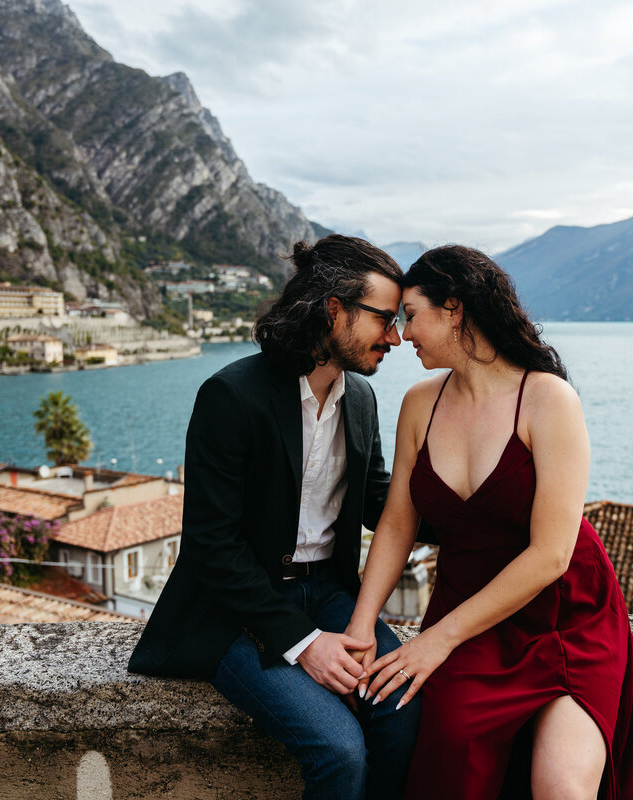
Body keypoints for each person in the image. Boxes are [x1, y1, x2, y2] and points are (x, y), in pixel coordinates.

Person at [345, 245, 633, 799]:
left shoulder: (547, 399)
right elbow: (396, 522)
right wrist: (361, 625)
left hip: (563, 618)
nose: (402, 334)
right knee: (452, 770)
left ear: (455, 308)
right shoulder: (420, 404)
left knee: (561, 787)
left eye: (411, 316)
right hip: (470, 618)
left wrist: (434, 640)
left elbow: (551, 555)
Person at [128, 234, 422, 800]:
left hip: (331, 594)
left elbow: (379, 500)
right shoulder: (230, 395)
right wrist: (304, 643)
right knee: (338, 750)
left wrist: (470, 513)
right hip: (236, 610)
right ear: (334, 310)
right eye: (384, 318)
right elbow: (213, 547)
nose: (396, 336)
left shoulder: (359, 399)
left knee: (404, 714)